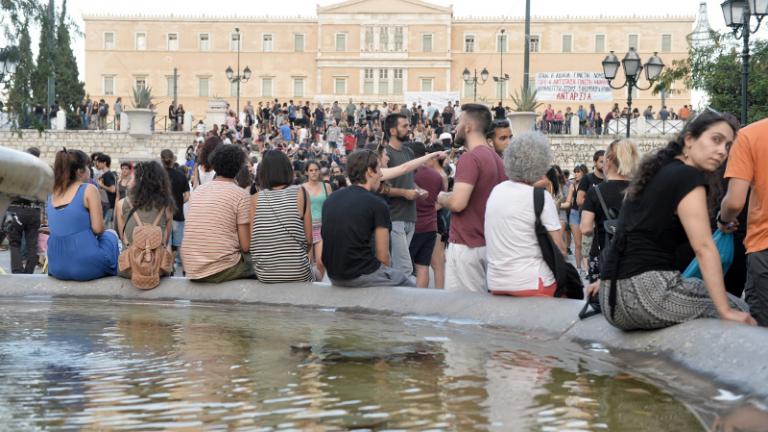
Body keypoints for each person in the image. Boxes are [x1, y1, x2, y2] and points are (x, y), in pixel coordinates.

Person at [598, 110, 755, 330]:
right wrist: (725, 311)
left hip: (611, 297)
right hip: (646, 294)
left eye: (728, 145)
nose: (722, 151)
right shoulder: (687, 176)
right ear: (689, 139)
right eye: (716, 140)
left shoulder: (657, 172)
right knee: (741, 310)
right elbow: (704, 248)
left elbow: (628, 233)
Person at [437, 103, 507, 293]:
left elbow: (458, 203)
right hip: (487, 244)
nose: (456, 127)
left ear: (468, 127)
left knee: (463, 308)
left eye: (459, 122)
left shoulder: (470, 158)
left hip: (467, 246)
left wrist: (441, 197)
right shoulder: (497, 160)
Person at [485, 132, 566, 296]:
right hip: (532, 282)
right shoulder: (540, 197)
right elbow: (560, 249)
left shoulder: (496, 191)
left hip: (496, 282)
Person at [321, 149, 415, 288]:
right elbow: (384, 257)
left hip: (334, 275)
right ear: (370, 171)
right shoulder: (377, 204)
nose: (381, 174)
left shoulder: (330, 200)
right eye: (379, 169)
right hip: (361, 275)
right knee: (409, 285)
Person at [721, 115, 768, 326]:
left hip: (764, 245)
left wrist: (723, 219)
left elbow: (734, 202)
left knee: (762, 333)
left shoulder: (750, 135)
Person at [182, 144, 253, 282]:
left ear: (214, 165)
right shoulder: (241, 195)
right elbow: (245, 246)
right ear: (239, 167)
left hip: (191, 267)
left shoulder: (198, 191)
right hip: (221, 269)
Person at [47, 148, 119, 281]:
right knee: (111, 234)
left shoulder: (52, 193)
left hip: (56, 266)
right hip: (84, 266)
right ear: (80, 171)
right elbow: (98, 229)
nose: (90, 170)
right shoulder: (88, 189)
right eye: (88, 167)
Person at [580, 139, 640, 290]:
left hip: (603, 255)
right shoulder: (641, 190)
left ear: (608, 161)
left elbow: (585, 229)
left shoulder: (595, 191)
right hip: (635, 257)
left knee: (602, 297)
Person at [250, 150, 314, 283]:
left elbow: (253, 240)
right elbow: (309, 239)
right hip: (298, 273)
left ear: (264, 173)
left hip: (265, 275)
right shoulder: (301, 192)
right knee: (317, 272)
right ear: (288, 170)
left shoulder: (255, 199)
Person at [114, 161, 175, 279]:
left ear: (137, 181)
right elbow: (165, 240)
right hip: (158, 268)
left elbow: (123, 237)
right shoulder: (167, 206)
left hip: (129, 268)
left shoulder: (121, 204)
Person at [381, 113, 419, 277]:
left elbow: (410, 180)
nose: (408, 129)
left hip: (410, 216)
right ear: (392, 130)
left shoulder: (409, 152)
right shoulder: (384, 155)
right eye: (404, 126)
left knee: (398, 267)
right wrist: (404, 193)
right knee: (404, 268)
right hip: (394, 217)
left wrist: (418, 190)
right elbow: (381, 188)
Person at [410, 142, 446, 288]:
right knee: (423, 265)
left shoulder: (409, 174)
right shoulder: (436, 175)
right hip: (431, 225)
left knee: (408, 266)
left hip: (413, 225)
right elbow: (440, 198)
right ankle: (423, 297)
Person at [6, 147, 43, 273]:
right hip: (34, 210)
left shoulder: (17, 170)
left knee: (14, 242)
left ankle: (17, 271)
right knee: (32, 243)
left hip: (16, 209)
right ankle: (29, 272)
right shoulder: (41, 173)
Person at [161, 149, 190, 273]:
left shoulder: (159, 176)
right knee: (177, 244)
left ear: (161, 160)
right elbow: (187, 196)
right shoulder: (181, 175)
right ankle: (175, 266)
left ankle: (167, 266)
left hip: (162, 214)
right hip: (178, 214)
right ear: (173, 159)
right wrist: (179, 203)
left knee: (165, 242)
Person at [302, 161, 333, 280]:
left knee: (320, 261)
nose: (314, 172)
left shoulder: (326, 186)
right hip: (307, 227)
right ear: (306, 172)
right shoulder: (302, 188)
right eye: (311, 170)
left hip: (322, 227)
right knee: (308, 262)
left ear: (319, 171)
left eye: (316, 170)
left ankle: (319, 284)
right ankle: (310, 285)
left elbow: (331, 206)